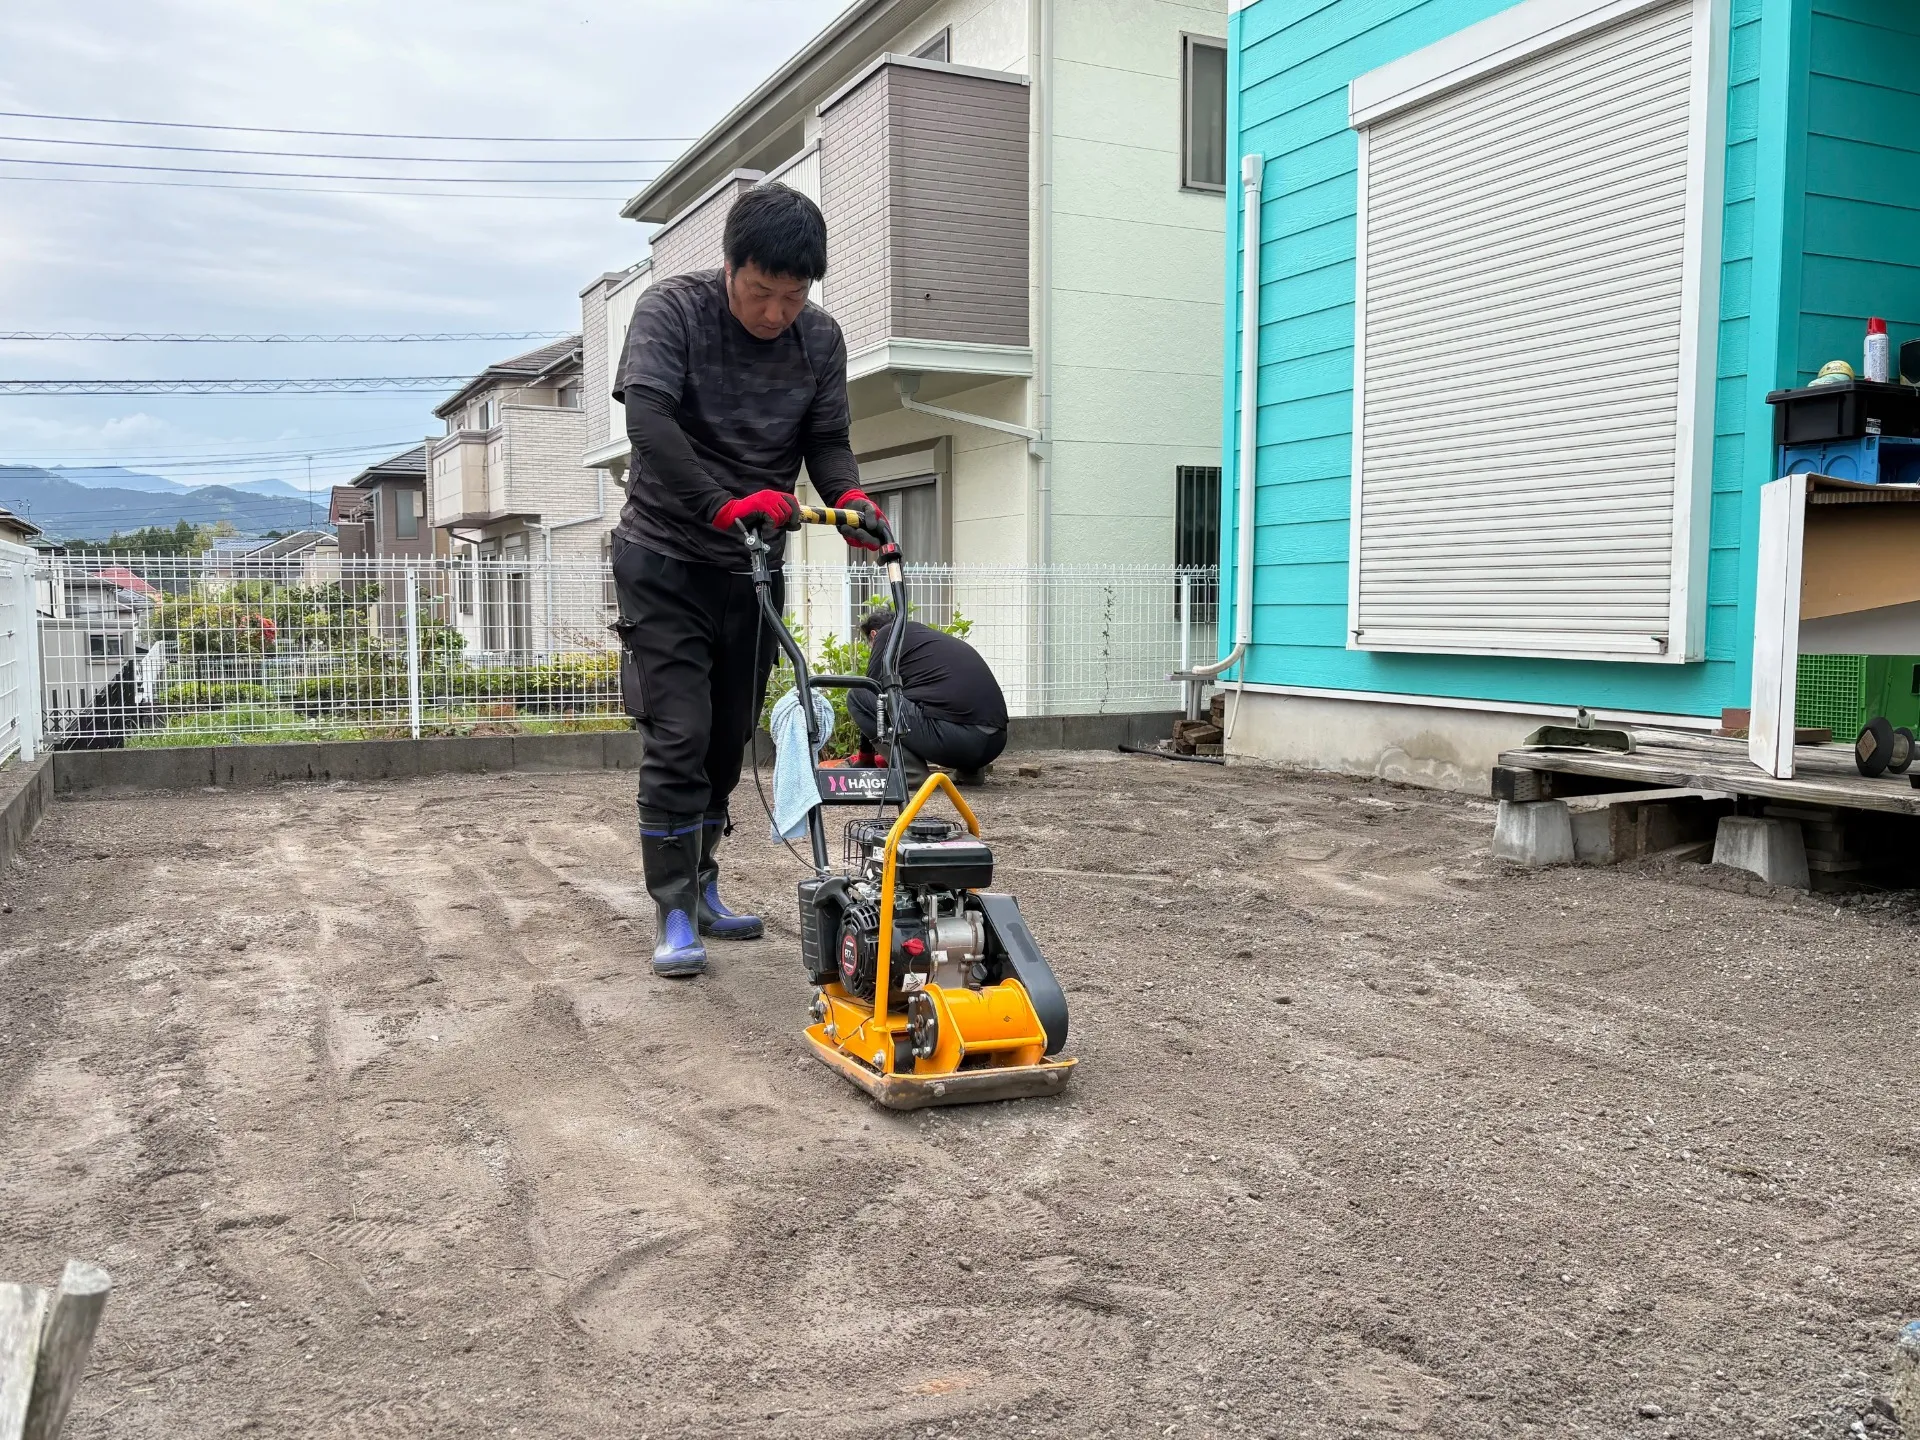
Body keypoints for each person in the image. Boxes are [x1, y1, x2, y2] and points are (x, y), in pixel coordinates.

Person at [610, 183, 884, 979]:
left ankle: (702, 886)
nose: (775, 312)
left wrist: (854, 501)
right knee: (680, 733)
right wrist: (722, 505)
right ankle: (670, 907)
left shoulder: (819, 341)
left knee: (728, 740)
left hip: (752, 566)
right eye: (761, 293)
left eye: (792, 296)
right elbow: (648, 426)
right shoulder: (674, 312)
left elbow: (826, 441)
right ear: (729, 268)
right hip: (663, 556)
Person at [848, 609, 1008, 780]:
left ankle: (911, 773)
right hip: (995, 741)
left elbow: (872, 692)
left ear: (873, 635)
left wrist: (866, 758)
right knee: (937, 700)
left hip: (959, 742)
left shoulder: (887, 634)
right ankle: (969, 774)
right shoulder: (926, 639)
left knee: (857, 694)